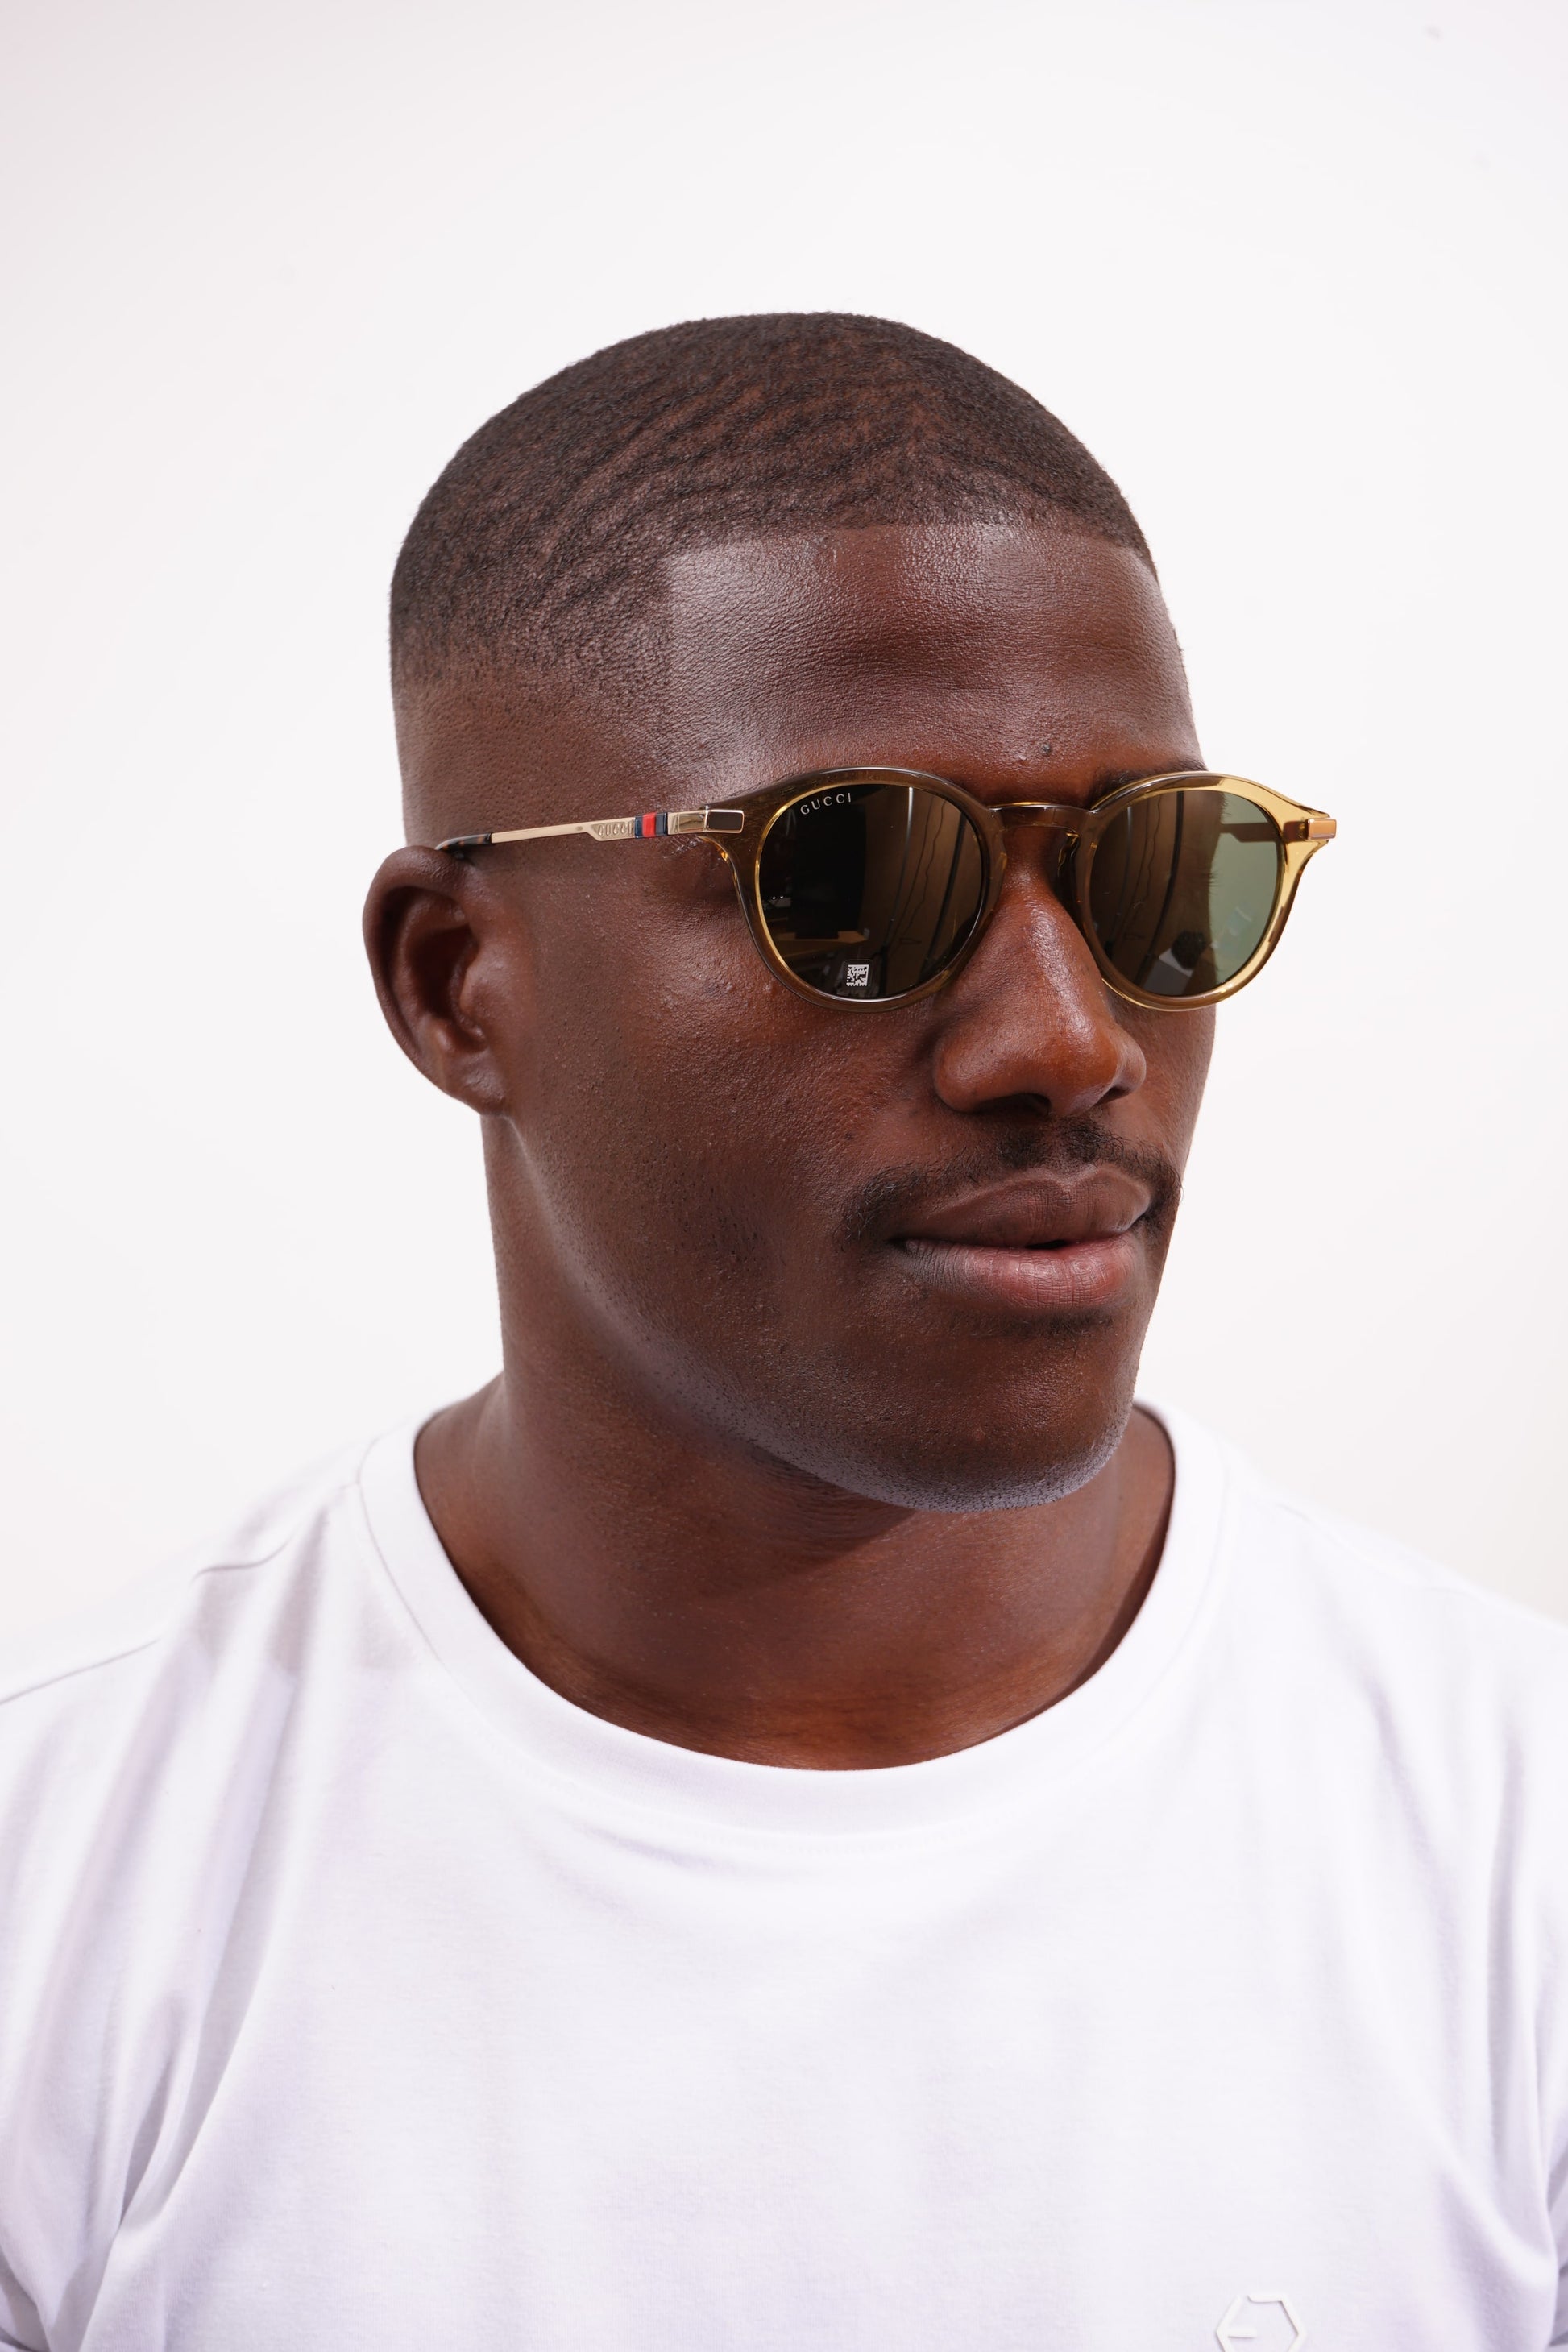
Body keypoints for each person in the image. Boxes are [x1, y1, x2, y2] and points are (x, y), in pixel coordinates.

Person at [0, 313, 1562, 2352]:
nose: (1067, 1038)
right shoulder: (64, 1898)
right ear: (459, 982)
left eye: (1157, 872)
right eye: (850, 879)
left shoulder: (1513, 1849)